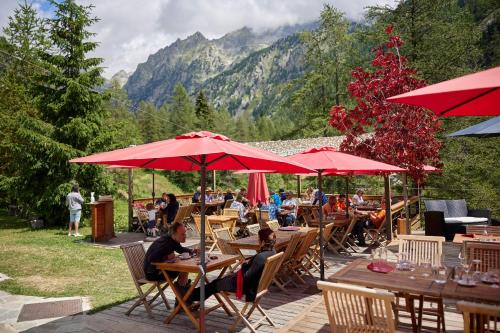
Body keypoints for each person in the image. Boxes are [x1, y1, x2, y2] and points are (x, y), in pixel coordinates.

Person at [189, 228, 276, 303]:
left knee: (215, 284)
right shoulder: (272, 252)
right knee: (217, 283)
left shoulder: (260, 257)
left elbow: (246, 277)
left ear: (263, 242)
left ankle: (189, 296)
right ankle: (194, 297)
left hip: (243, 287)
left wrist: (244, 264)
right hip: (256, 286)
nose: (258, 241)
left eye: (259, 239)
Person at [144, 222, 194, 291]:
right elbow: (151, 258)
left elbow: (180, 249)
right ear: (174, 235)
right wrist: (167, 257)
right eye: (182, 234)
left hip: (160, 270)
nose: (185, 236)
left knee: (184, 269)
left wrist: (192, 251)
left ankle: (182, 294)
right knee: (184, 269)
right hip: (152, 274)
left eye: (185, 233)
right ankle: (182, 295)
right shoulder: (164, 243)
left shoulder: (173, 240)